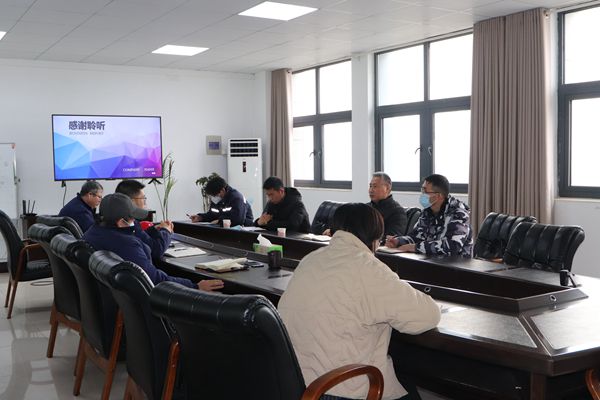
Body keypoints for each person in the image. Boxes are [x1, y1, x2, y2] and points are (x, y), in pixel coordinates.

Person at [278, 203, 441, 400]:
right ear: (375, 238)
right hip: (340, 389)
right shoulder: (369, 268)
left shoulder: (309, 260)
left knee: (406, 383)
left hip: (296, 386)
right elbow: (427, 316)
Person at [84, 193, 223, 291]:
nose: (135, 222)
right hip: (141, 304)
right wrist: (195, 286)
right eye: (133, 219)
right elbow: (154, 279)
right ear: (121, 222)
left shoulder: (92, 232)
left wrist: (153, 230)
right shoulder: (126, 243)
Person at [385, 174, 473, 257]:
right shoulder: (427, 212)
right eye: (422, 190)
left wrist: (415, 247)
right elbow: (417, 236)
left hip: (456, 265)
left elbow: (452, 246)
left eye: (425, 191)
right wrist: (398, 241)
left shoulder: (459, 213)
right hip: (431, 261)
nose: (422, 195)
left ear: (438, 196)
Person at [116, 179, 172, 259]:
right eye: (143, 198)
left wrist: (154, 229)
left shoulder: (124, 219)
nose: (145, 202)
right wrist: (166, 230)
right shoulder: (126, 225)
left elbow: (142, 237)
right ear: (131, 202)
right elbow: (156, 250)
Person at [189, 176, 253, 226]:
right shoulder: (217, 199)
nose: (214, 197)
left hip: (243, 229)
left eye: (215, 195)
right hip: (224, 228)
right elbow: (212, 215)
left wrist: (219, 221)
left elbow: (238, 220)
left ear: (222, 190)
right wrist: (200, 217)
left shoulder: (236, 198)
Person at [368, 172, 407, 237]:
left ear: (387, 188)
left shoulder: (397, 212)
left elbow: (392, 238)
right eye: (370, 186)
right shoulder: (366, 208)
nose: (371, 190)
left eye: (375, 186)